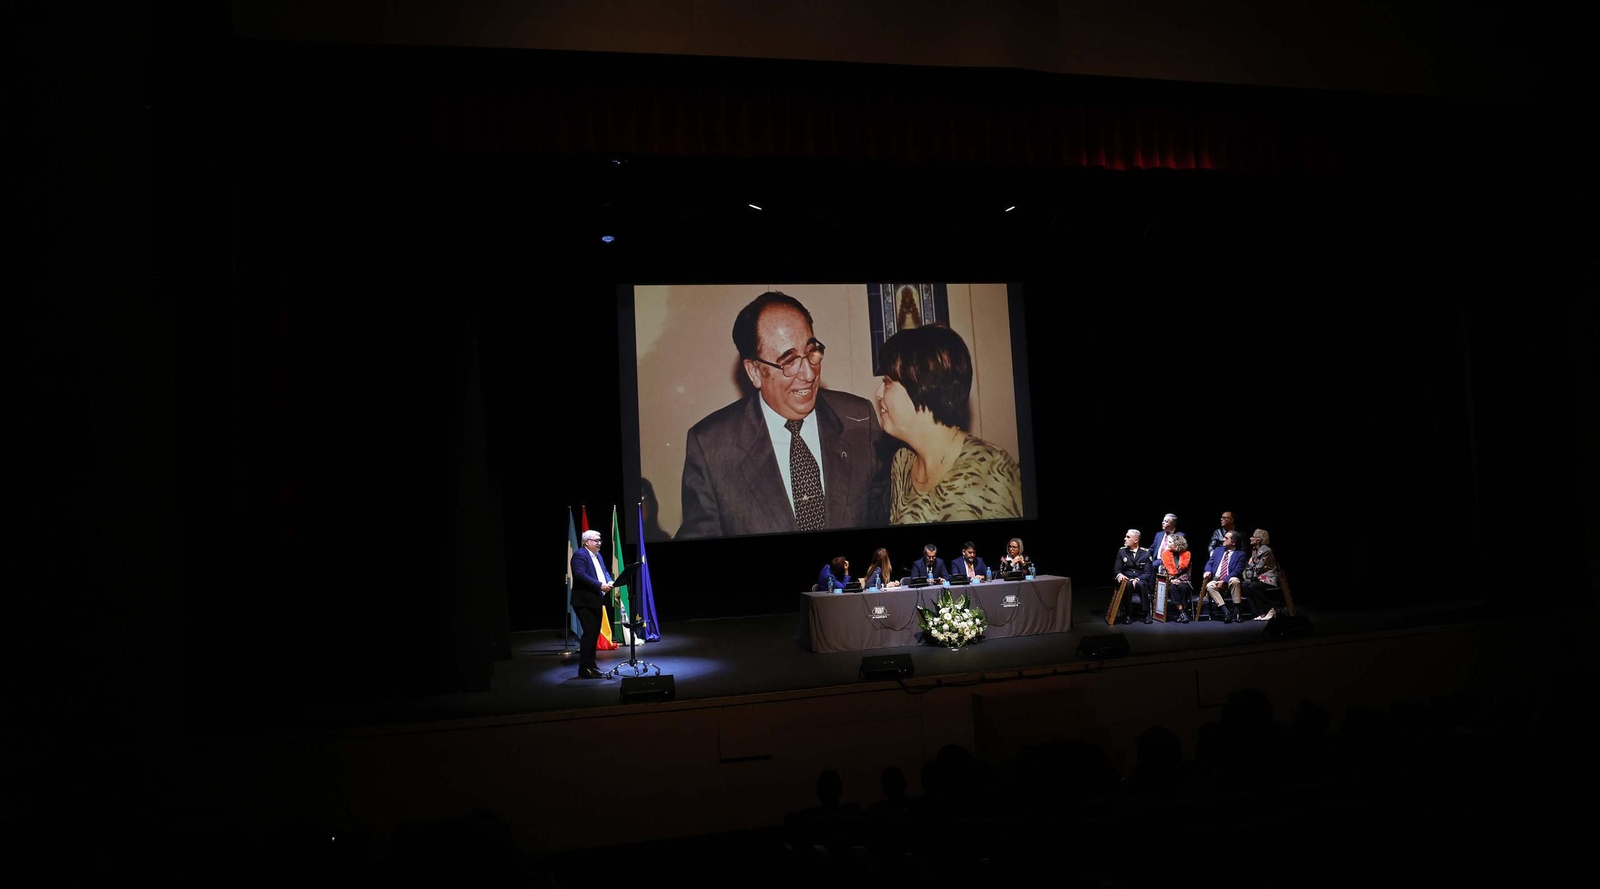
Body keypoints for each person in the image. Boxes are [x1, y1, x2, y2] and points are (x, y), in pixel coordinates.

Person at [679, 292, 888, 538]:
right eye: (789, 361)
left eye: (812, 352)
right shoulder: (712, 447)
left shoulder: (858, 418)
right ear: (754, 372)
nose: (809, 374)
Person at [874, 326, 1023, 524]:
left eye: (888, 382)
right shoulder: (902, 463)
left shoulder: (993, 468)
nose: (878, 393)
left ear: (921, 386)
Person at [569, 529, 614, 679]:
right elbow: (580, 576)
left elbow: (605, 571)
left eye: (600, 540)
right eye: (596, 540)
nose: (599, 543)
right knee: (589, 634)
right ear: (586, 542)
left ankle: (591, 664)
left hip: (596, 600)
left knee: (594, 634)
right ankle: (584, 668)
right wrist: (600, 586)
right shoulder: (579, 556)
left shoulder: (598, 555)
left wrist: (608, 581)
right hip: (584, 602)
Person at [1201, 530, 1247, 622]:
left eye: (1226, 538)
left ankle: (1237, 611)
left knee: (1234, 580)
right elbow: (1209, 563)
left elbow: (1237, 571)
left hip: (1229, 580)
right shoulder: (1218, 550)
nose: (1223, 540)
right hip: (1217, 579)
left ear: (1233, 542)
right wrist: (1207, 571)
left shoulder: (1241, 554)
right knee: (1210, 585)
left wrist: (1225, 581)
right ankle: (1226, 612)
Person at [1242, 528, 1286, 620]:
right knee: (1245, 585)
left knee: (1253, 586)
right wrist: (1253, 564)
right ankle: (1259, 613)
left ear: (1259, 539)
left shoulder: (1266, 550)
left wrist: (1252, 564)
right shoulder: (1255, 550)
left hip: (1268, 578)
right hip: (1258, 577)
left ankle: (1271, 608)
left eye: (1253, 536)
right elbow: (1252, 567)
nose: (1250, 538)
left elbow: (1258, 568)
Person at [1113, 529, 1154, 624]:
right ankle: (1128, 613)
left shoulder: (1146, 553)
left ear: (1136, 540)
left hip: (1141, 578)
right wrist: (1120, 575)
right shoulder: (1122, 551)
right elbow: (1116, 569)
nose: (1125, 539)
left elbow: (1148, 573)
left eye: (1128, 537)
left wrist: (1137, 579)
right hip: (1127, 578)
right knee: (1127, 585)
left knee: (1142, 584)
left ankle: (1146, 613)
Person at [1162, 532, 1195, 624]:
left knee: (1183, 587)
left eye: (1169, 542)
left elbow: (1188, 573)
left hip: (1183, 581)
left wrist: (1179, 580)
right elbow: (1163, 571)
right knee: (1172, 588)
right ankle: (1182, 612)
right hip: (1170, 581)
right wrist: (1172, 579)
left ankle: (1181, 613)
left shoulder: (1186, 555)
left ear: (1176, 544)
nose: (1167, 544)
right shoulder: (1165, 555)